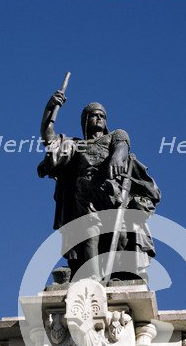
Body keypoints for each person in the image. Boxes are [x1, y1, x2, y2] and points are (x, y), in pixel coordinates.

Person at [37, 91, 161, 282]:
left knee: (119, 233)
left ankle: (120, 274)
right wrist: (50, 108)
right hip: (84, 191)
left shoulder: (115, 135)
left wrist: (116, 157)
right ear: (85, 120)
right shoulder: (75, 145)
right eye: (94, 115)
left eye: (102, 115)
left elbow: (122, 147)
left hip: (110, 190)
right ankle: (92, 277)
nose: (99, 118)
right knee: (89, 232)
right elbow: (49, 138)